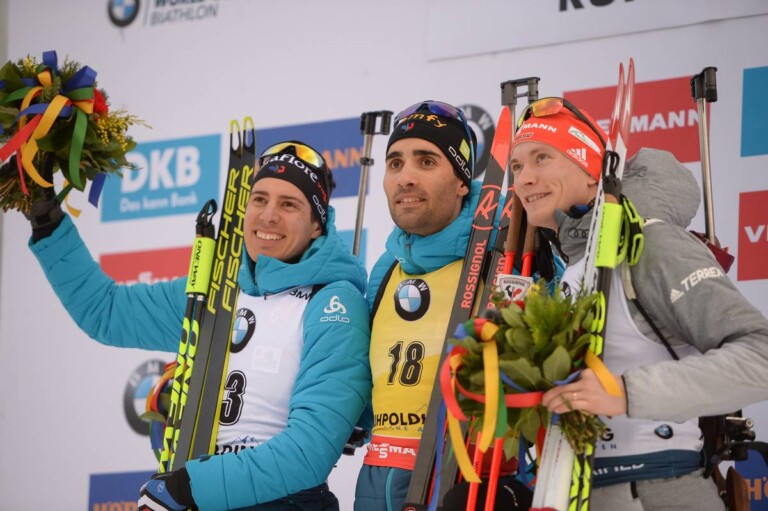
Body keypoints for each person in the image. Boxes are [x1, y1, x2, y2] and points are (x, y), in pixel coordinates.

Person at [18, 141, 372, 511]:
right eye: (259, 199)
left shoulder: (332, 302)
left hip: (283, 502)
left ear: (316, 225)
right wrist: (47, 221)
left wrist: (189, 487)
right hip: (201, 494)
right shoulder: (215, 292)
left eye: (289, 204)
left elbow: (308, 452)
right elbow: (106, 311)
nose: (268, 216)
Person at [509, 97, 768, 511]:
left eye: (542, 157)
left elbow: (760, 356)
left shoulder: (651, 243)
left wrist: (627, 391)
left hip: (660, 488)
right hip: (574, 490)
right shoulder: (569, 267)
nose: (524, 179)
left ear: (592, 172)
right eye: (517, 166)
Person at [354, 101, 536, 511]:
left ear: (461, 182)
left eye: (426, 161)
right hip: (377, 477)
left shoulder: (503, 255)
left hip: (463, 476)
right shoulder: (386, 267)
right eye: (395, 163)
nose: (406, 177)